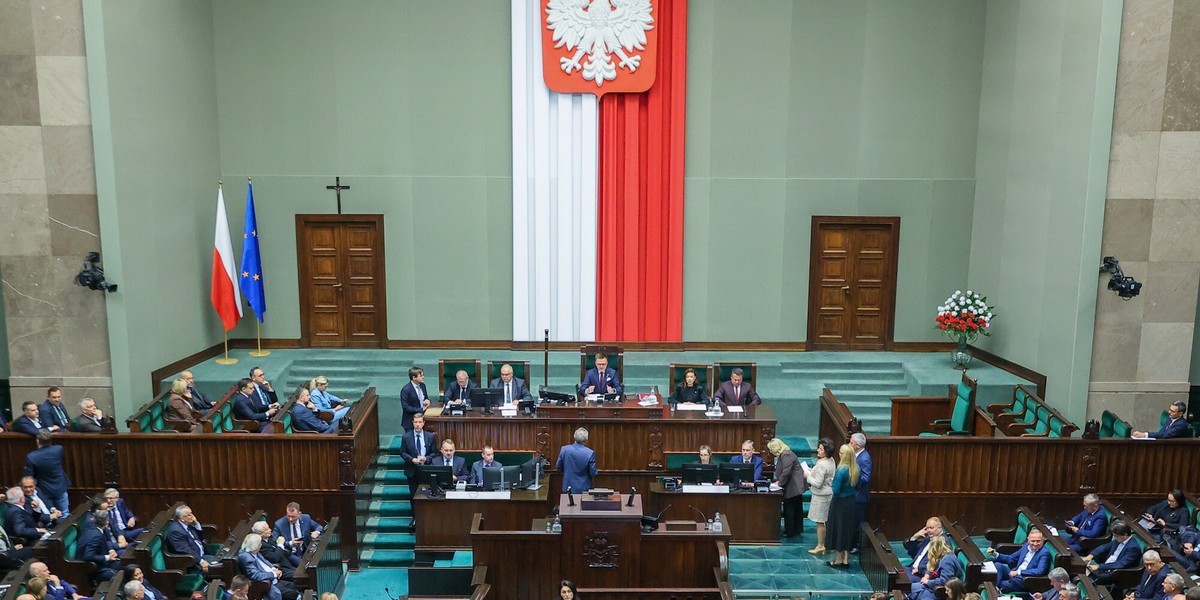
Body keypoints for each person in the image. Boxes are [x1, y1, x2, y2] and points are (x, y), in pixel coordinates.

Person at [825, 443, 860, 568]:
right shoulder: (856, 469)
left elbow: (836, 490)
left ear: (844, 455)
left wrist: (831, 482)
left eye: (840, 452)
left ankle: (838, 560)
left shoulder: (841, 470)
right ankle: (846, 559)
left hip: (840, 504)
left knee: (839, 530)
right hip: (851, 503)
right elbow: (858, 486)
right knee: (847, 530)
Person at [987, 528, 1050, 593]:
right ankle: (994, 589)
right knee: (998, 565)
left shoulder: (1044, 553)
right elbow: (1011, 558)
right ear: (1028, 540)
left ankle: (993, 590)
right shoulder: (1026, 546)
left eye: (1038, 541)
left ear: (1042, 540)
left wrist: (1018, 572)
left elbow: (1040, 571)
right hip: (1014, 574)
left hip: (1024, 580)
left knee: (999, 583)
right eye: (1033, 541)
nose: (1035, 543)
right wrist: (995, 554)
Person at [236, 533, 297, 600]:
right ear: (255, 546)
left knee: (296, 586)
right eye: (259, 544)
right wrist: (273, 574)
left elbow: (265, 561)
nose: (261, 545)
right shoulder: (247, 558)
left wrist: (273, 568)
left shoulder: (253, 551)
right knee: (293, 593)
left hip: (274, 579)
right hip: (268, 585)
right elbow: (256, 576)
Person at [767, 438, 805, 540]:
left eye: (771, 450)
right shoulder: (785, 454)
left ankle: (790, 531)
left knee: (790, 509)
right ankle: (795, 529)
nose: (771, 452)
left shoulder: (786, 454)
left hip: (793, 486)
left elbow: (786, 472)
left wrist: (779, 483)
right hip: (793, 485)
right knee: (795, 508)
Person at [25, 430, 70, 512]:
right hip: (60, 486)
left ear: (38, 441)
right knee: (65, 513)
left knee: (49, 513)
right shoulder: (59, 449)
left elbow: (29, 476)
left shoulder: (32, 457)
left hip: (44, 490)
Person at [164, 505, 217, 574]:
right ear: (182, 518)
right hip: (193, 562)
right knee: (226, 565)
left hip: (202, 555)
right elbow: (185, 550)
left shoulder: (186, 524)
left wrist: (196, 523)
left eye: (192, 513)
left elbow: (199, 539)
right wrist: (201, 561)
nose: (192, 516)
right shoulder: (175, 531)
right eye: (189, 515)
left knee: (226, 559)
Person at [805, 438, 836, 554]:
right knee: (825, 521)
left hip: (821, 496)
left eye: (821, 449)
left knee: (820, 522)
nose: (818, 450)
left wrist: (807, 476)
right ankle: (827, 544)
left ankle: (820, 545)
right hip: (827, 493)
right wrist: (813, 471)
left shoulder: (823, 464)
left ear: (826, 451)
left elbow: (818, 483)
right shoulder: (830, 460)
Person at [77, 510, 120, 582]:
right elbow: (88, 556)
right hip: (93, 569)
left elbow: (106, 541)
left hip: (100, 562)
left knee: (121, 563)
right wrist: (108, 557)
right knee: (119, 576)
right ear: (107, 522)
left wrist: (110, 550)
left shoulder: (90, 526)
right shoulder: (96, 536)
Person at [401, 413, 437, 497]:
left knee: (427, 494)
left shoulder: (430, 436)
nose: (418, 425)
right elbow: (402, 452)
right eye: (416, 422)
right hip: (412, 470)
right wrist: (411, 459)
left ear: (423, 423)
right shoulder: (406, 437)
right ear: (412, 423)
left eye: (420, 422)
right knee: (413, 495)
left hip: (426, 469)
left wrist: (427, 458)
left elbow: (434, 452)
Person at [557, 427, 598, 492]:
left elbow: (558, 467)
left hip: (568, 487)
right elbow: (593, 473)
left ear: (574, 437)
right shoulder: (590, 453)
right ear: (586, 439)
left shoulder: (564, 450)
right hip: (584, 488)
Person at [904, 517, 945, 582]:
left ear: (939, 528)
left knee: (899, 579)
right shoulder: (928, 538)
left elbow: (937, 563)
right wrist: (915, 537)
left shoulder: (943, 542)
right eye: (927, 528)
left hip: (921, 575)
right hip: (911, 568)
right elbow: (911, 552)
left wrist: (920, 569)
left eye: (931, 528)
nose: (928, 530)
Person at [850, 431, 872, 552]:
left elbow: (865, 478)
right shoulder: (855, 455)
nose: (849, 444)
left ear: (858, 446)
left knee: (857, 522)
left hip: (859, 497)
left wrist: (851, 477)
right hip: (853, 496)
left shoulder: (864, 458)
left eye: (851, 443)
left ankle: (857, 545)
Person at [400, 366, 431, 432]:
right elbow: (406, 407)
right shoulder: (406, 389)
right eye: (421, 375)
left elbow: (425, 398)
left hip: (422, 419)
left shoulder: (423, 386)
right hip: (410, 421)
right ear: (414, 377)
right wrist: (420, 409)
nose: (423, 377)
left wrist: (427, 401)